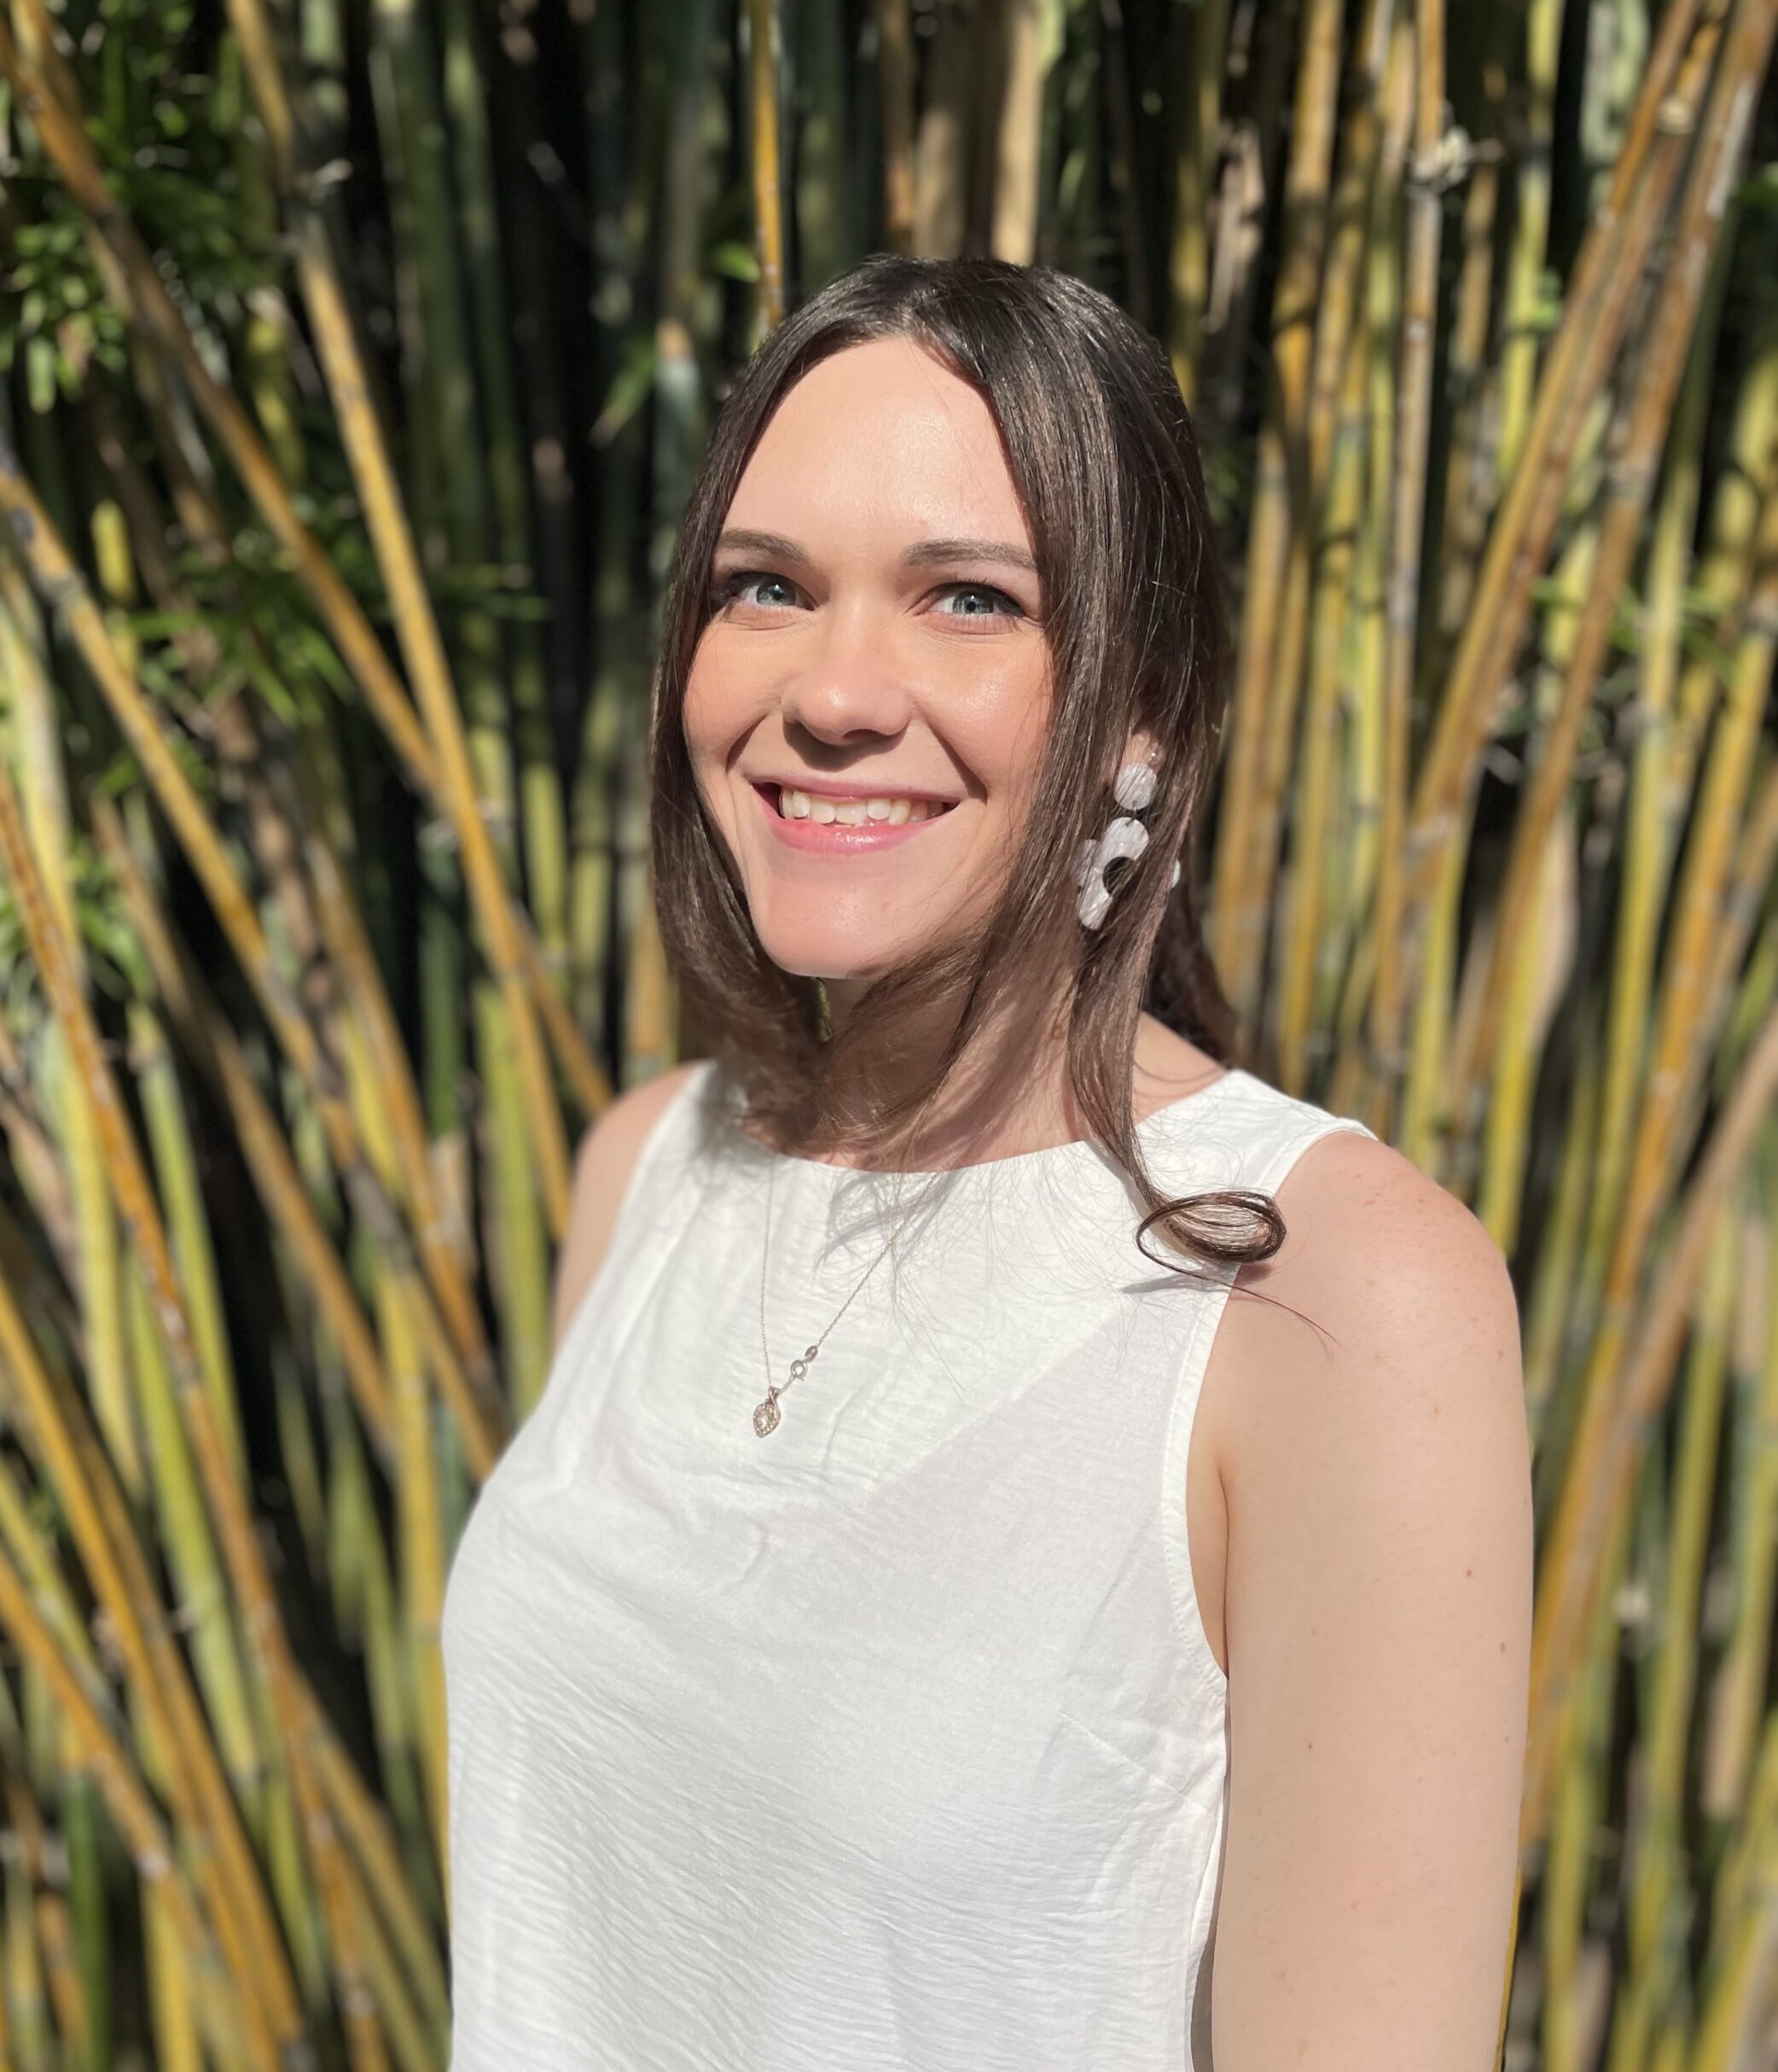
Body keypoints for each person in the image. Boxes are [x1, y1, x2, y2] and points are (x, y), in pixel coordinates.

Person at [440, 254, 1533, 2070]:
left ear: (1142, 711)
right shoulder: (647, 1169)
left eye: (966, 597)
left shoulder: (1326, 1298)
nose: (835, 690)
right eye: (765, 585)